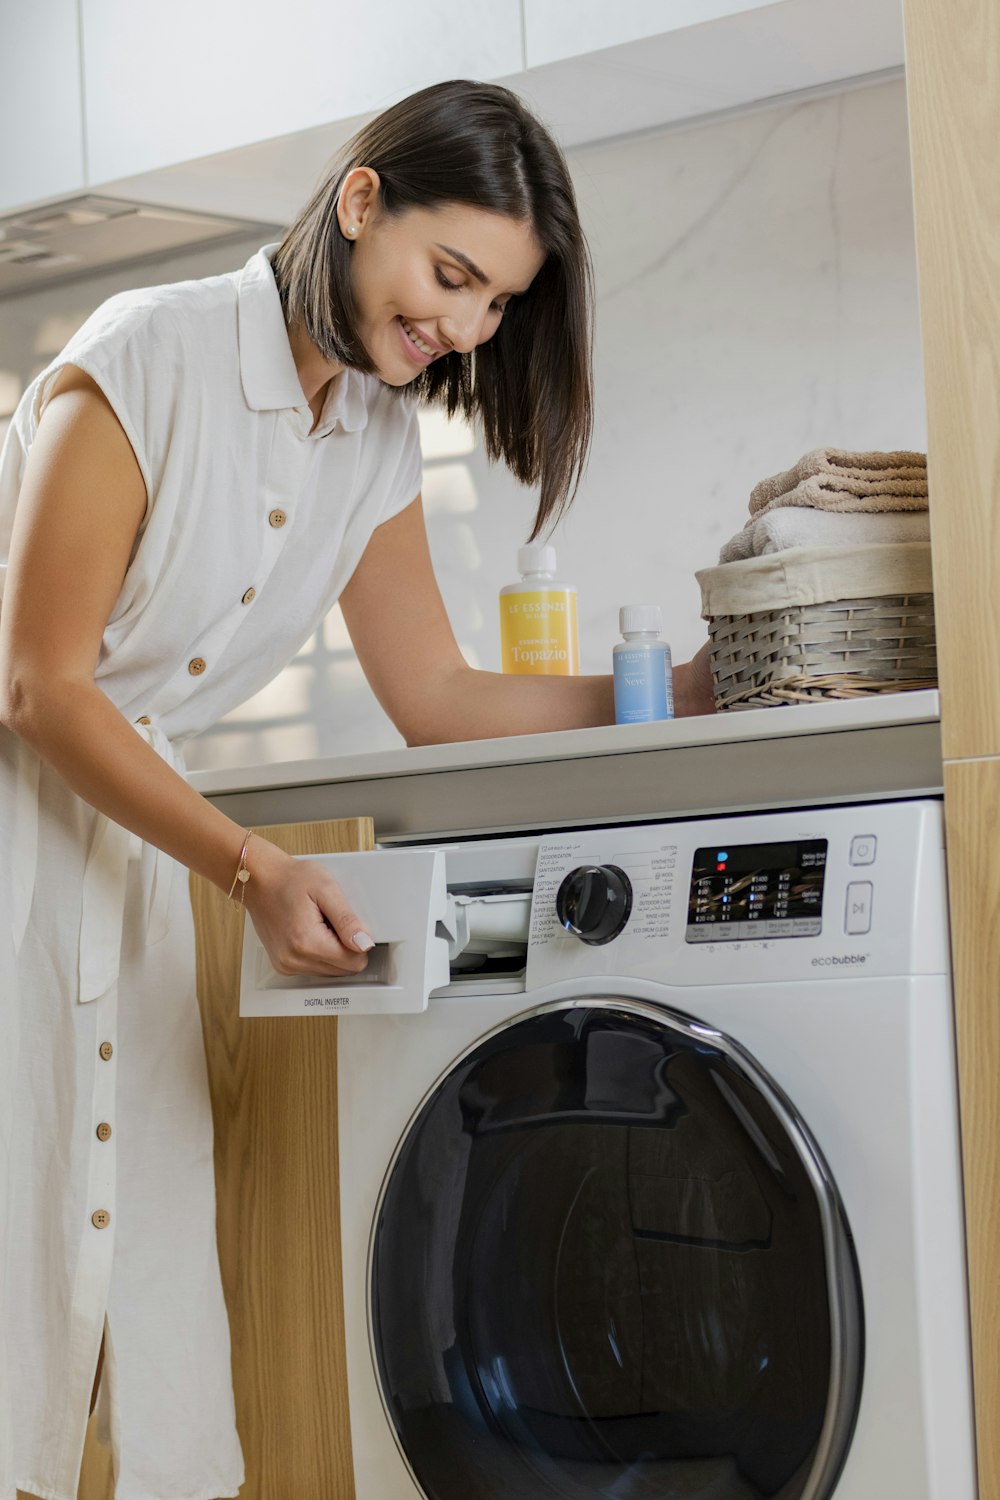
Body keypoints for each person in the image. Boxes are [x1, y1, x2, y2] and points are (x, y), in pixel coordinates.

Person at [0, 79, 715, 1499]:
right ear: (361, 200)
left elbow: (436, 697)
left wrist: (676, 694)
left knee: (131, 1301)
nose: (461, 329)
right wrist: (251, 867)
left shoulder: (379, 442)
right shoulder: (147, 355)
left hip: (124, 875)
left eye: (498, 303)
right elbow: (43, 686)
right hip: (27, 850)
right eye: (453, 276)